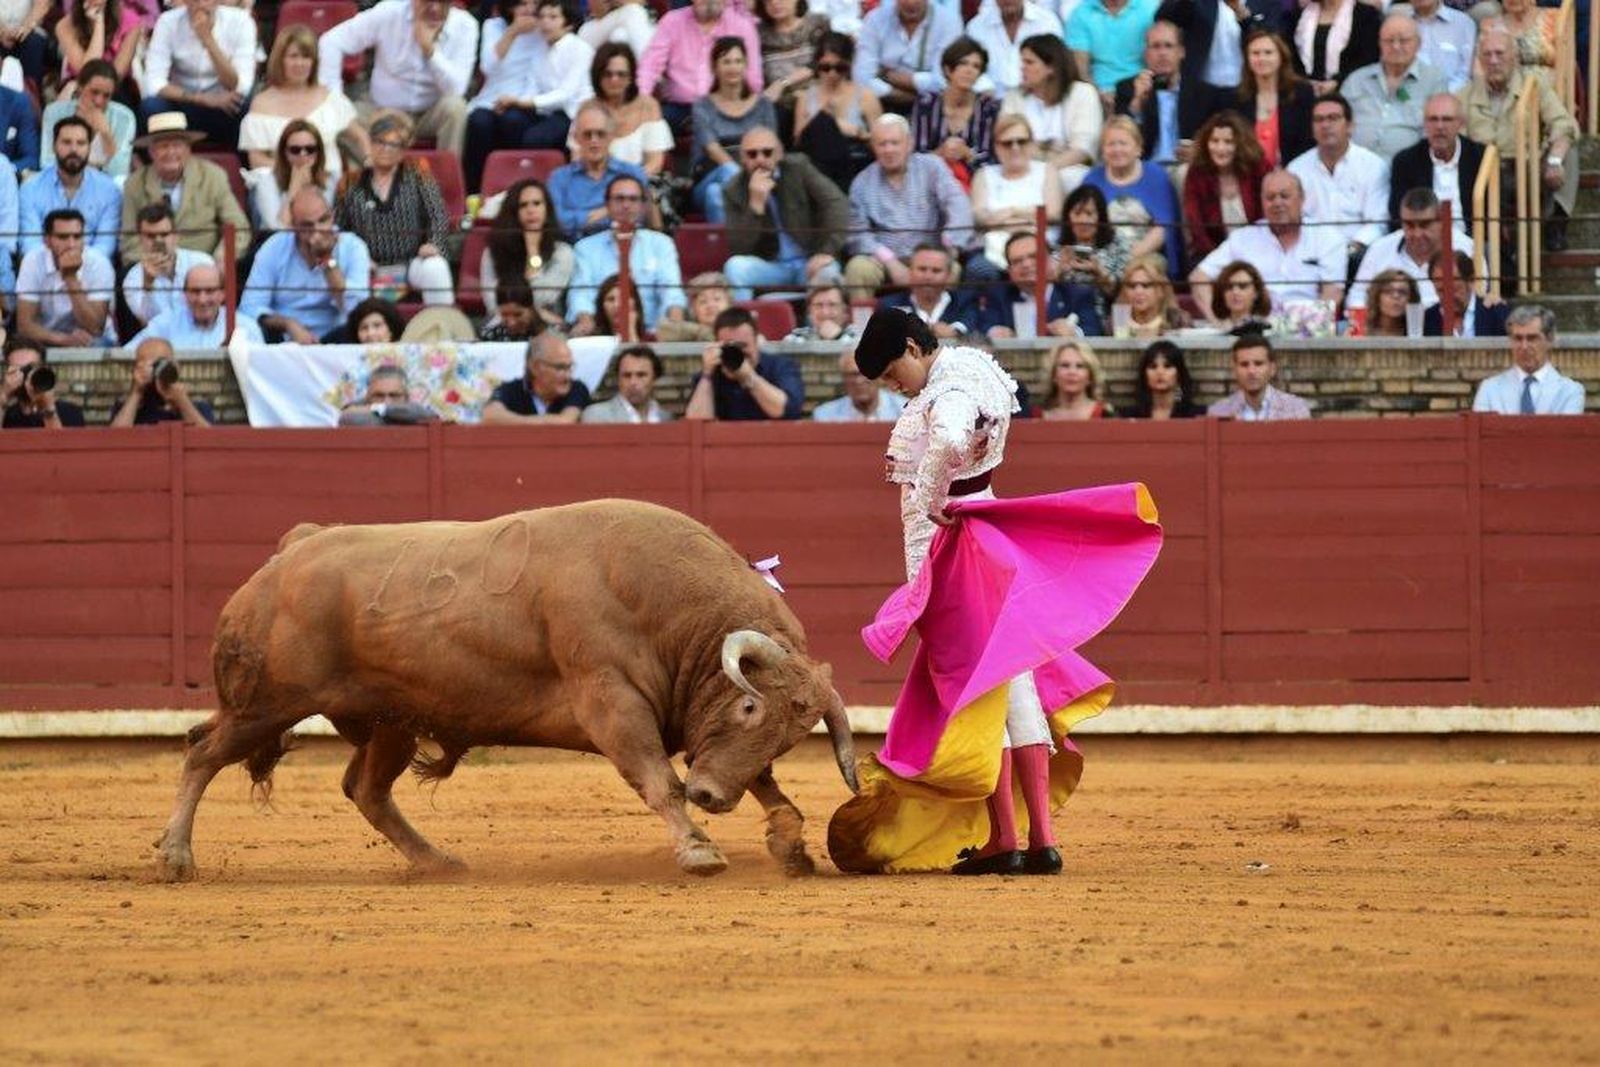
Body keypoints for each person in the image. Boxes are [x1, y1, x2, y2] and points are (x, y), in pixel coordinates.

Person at [841, 308, 1061, 876]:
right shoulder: (973, 366)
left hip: (951, 547)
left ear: (914, 347)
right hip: (986, 530)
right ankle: (1041, 838)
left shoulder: (951, 388)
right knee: (1013, 679)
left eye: (893, 373)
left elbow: (949, 437)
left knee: (977, 688)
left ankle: (1005, 839)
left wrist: (931, 497)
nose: (894, 387)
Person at [1458, 26, 1579, 251]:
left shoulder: (1535, 86)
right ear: (1479, 61)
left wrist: (1554, 160)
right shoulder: (1464, 95)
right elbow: (1458, 141)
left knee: (1568, 153)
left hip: (1528, 166)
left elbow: (1563, 123)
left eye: (1500, 53)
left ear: (1514, 57)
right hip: (1486, 172)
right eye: (1487, 55)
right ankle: (1490, 236)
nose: (1494, 61)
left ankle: (1556, 222)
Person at [843, 114, 980, 300]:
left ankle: (941, 319)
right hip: (885, 258)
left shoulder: (932, 167)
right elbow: (858, 235)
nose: (889, 150)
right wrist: (891, 262)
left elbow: (958, 204)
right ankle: (864, 320)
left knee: (951, 268)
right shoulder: (862, 182)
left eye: (895, 143)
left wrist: (950, 246)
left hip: (930, 254)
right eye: (882, 144)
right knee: (857, 269)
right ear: (873, 147)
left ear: (909, 143)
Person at [462, 0, 593, 193]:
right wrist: (517, 102)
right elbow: (528, 80)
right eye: (522, 3)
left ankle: (530, 190)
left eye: (552, 17)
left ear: (568, 23)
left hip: (567, 111)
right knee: (483, 122)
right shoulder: (499, 27)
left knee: (524, 130)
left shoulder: (574, 46)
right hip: (510, 101)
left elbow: (566, 93)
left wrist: (522, 103)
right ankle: (477, 191)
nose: (531, 10)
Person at [318, 0, 479, 157]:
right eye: (427, 1)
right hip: (380, 110)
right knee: (336, 119)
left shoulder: (465, 25)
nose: (435, 8)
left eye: (442, 2)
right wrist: (336, 99)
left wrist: (429, 51)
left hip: (430, 113)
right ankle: (372, 167)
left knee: (456, 108)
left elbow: (456, 89)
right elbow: (331, 42)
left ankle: (447, 172)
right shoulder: (388, 13)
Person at [333, 110, 454, 307]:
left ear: (403, 150)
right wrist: (357, 258)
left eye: (394, 145)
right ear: (370, 144)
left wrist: (434, 243)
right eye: (380, 142)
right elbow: (337, 229)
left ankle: (444, 322)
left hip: (411, 262)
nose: (386, 149)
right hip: (368, 266)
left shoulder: (417, 172)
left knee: (435, 267)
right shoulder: (349, 183)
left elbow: (438, 215)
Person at [1191, 168, 1345, 318]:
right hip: (1254, 327)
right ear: (1262, 202)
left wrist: (1307, 326)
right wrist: (1219, 321)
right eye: (1270, 198)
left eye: (1285, 196)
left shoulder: (1326, 237)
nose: (1277, 203)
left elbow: (1333, 293)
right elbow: (1199, 277)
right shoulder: (1243, 238)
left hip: (1307, 327)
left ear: (1302, 199)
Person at [722, 126, 849, 300]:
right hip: (771, 266)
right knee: (735, 267)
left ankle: (820, 319)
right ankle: (744, 317)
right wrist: (755, 205)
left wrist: (827, 251)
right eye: (752, 154)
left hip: (809, 260)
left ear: (779, 153)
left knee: (828, 271)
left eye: (767, 152)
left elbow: (836, 203)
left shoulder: (798, 168)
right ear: (743, 159)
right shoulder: (733, 189)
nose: (760, 159)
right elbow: (739, 247)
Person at [240, 187, 374, 344]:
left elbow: (357, 309)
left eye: (323, 220)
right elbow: (250, 306)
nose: (318, 230)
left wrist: (327, 259)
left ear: (333, 216)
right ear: (293, 226)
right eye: (307, 225)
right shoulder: (274, 247)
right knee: (244, 326)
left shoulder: (353, 246)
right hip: (284, 336)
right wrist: (288, 324)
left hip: (337, 334)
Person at [118, 112, 251, 266]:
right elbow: (129, 240)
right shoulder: (134, 184)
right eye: (163, 146)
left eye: (177, 145)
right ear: (151, 152)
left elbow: (238, 228)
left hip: (205, 266)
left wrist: (220, 261)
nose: (171, 152)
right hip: (154, 267)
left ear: (188, 148)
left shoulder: (213, 176)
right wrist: (155, 263)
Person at [569, 175, 688, 333]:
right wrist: (586, 324)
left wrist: (675, 326)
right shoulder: (585, 247)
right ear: (607, 205)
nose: (626, 205)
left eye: (633, 199)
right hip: (603, 333)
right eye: (619, 199)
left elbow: (671, 290)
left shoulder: (661, 244)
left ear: (642, 206)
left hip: (652, 332)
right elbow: (581, 294)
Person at [239, 24, 363, 173]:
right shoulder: (261, 103)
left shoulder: (330, 98)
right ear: (280, 60)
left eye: (306, 57)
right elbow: (256, 160)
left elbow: (360, 136)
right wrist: (296, 174)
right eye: (293, 56)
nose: (300, 63)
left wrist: (370, 162)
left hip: (327, 178)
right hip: (279, 179)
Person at [1285, 93, 1387, 270]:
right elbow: (1293, 221)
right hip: (1310, 258)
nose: (1325, 125)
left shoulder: (1373, 166)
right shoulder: (1296, 170)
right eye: (1319, 120)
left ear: (1350, 126)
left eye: (1333, 118)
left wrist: (1347, 251)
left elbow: (1378, 223)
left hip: (1360, 256)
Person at [139, 0, 258, 147]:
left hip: (223, 102)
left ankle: (243, 159)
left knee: (245, 104)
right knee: (151, 106)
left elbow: (240, 86)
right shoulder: (168, 22)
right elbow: (154, 83)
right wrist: (200, 99)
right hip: (183, 101)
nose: (201, 4)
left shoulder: (241, 21)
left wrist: (208, 40)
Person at [638, 0, 763, 133]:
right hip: (682, 108)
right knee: (646, 125)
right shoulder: (672, 21)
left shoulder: (741, 26)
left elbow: (753, 77)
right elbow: (650, 65)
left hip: (727, 106)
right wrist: (642, 97)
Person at [692, 36, 779, 223]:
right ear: (714, 67)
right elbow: (713, 150)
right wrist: (746, 180)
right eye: (726, 62)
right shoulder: (702, 106)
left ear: (746, 65)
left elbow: (773, 147)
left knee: (715, 193)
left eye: (738, 61)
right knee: (724, 175)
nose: (733, 67)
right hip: (712, 175)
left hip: (758, 174)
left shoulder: (763, 104)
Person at [1000, 33, 1102, 190]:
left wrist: (1044, 170)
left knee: (1071, 178)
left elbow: (1082, 149)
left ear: (1051, 68)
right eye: (1022, 61)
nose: (1022, 67)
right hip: (1022, 168)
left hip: (1068, 169)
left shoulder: (1083, 93)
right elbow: (1006, 140)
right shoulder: (1014, 97)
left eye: (1029, 62)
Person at [1114, 20, 1222, 167]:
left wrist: (1200, 151)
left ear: (1181, 52)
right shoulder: (1127, 89)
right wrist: (1138, 101)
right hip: (1145, 168)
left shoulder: (1203, 92)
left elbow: (1218, 137)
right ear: (1146, 53)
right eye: (1156, 46)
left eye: (1168, 46)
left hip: (1187, 167)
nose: (1162, 53)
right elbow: (1119, 138)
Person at [1347, 187, 1474, 311]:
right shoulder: (1380, 249)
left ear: (1441, 221)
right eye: (1409, 225)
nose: (1417, 234)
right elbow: (1357, 297)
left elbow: (1477, 298)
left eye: (1425, 225)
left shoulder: (1467, 248)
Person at [1341, 14, 1447, 160]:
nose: (1396, 46)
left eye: (1403, 41)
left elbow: (1437, 130)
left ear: (1419, 43)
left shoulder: (1434, 80)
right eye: (1389, 41)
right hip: (1355, 164)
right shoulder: (1357, 79)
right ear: (1379, 43)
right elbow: (1339, 121)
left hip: (1407, 166)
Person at [1083, 116, 1182, 271]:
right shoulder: (1092, 179)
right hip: (1103, 257)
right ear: (1103, 150)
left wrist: (1124, 261)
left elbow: (1163, 229)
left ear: (1138, 148)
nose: (1117, 150)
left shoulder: (1156, 175)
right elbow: (1084, 224)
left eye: (1123, 143)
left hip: (1146, 258)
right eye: (1111, 144)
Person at [548, 101, 653, 241]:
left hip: (624, 244)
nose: (594, 141)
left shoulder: (633, 174)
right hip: (574, 249)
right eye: (587, 135)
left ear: (612, 136)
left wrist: (581, 220)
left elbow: (637, 217)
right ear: (576, 138)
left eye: (600, 134)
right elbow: (557, 222)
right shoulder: (559, 178)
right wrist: (611, 211)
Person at [19, 117, 121, 260]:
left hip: (92, 269)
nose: (74, 149)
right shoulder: (30, 189)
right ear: (53, 146)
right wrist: (56, 265)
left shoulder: (109, 191)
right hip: (43, 268)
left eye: (81, 143)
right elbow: (30, 245)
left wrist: (77, 264)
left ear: (89, 147)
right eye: (66, 142)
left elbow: (105, 247)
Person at [481, 178, 575, 332]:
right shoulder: (493, 252)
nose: (531, 210)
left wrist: (533, 251)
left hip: (544, 328)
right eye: (523, 205)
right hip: (503, 325)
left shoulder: (562, 252)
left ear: (547, 209)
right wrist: (527, 311)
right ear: (513, 212)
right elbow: (492, 303)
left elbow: (544, 297)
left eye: (537, 203)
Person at [971, 112, 1062, 269]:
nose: (1015, 148)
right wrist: (1029, 219)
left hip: (1039, 249)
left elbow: (1052, 214)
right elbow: (981, 219)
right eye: (1007, 143)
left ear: (1032, 143)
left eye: (1022, 141)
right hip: (993, 253)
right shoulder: (984, 174)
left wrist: (1011, 212)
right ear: (996, 147)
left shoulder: (1047, 170)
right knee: (978, 270)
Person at [909, 37, 1003, 188]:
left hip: (977, 185)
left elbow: (993, 161)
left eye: (976, 66)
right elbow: (914, 157)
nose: (969, 70)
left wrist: (968, 155)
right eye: (963, 63)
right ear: (948, 69)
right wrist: (940, 153)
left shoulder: (989, 108)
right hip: (931, 184)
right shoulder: (926, 104)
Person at [793, 32, 882, 189]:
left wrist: (859, 133)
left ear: (849, 65)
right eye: (825, 68)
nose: (832, 74)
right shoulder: (805, 98)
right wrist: (826, 119)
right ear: (817, 65)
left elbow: (881, 142)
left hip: (855, 166)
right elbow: (798, 142)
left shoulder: (866, 97)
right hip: (817, 170)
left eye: (840, 68)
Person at [16, 208, 115, 348]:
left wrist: (71, 278)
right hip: (45, 338)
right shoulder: (33, 261)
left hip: (90, 340)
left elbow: (95, 328)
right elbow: (24, 325)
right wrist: (62, 340)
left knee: (99, 344)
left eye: (77, 237)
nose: (71, 245)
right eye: (63, 237)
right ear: (47, 240)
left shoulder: (99, 263)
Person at [685, 305, 804, 420]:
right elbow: (696, 422)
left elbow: (787, 411)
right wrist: (707, 374)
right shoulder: (711, 373)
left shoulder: (781, 367)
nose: (738, 352)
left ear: (756, 341)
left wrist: (749, 377)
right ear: (718, 344)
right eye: (730, 346)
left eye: (743, 345)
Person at [1183, 110, 1268, 267]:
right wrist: (1219, 260)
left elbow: (1266, 218)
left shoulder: (1258, 168)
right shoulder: (1197, 173)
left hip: (1258, 250)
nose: (1220, 148)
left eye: (1228, 142)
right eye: (1214, 141)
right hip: (1213, 252)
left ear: (1240, 144)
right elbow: (1196, 226)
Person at [1389, 92, 1484, 230]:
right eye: (1433, 119)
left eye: (1447, 119)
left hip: (1473, 238)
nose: (1439, 126)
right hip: (1422, 237)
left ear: (1461, 123)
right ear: (1424, 124)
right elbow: (1398, 216)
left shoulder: (1481, 158)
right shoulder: (1406, 161)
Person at [1471, 304, 1584, 414]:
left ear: (1550, 340)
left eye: (1532, 338)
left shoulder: (1570, 391)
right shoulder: (1489, 389)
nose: (1524, 346)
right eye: (1518, 338)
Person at [853, 0, 964, 110]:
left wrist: (889, 76)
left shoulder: (948, 22)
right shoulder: (875, 19)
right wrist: (896, 94)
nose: (911, 3)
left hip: (934, 107)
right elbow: (862, 77)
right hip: (882, 103)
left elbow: (944, 80)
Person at [587, 43, 673, 182]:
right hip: (596, 184)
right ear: (597, 76)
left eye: (621, 74)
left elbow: (655, 163)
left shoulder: (648, 106)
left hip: (640, 183)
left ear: (631, 77)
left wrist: (626, 184)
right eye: (607, 74)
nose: (614, 79)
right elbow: (578, 160)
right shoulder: (587, 109)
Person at [1229, 29, 1314, 169]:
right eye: (1255, 53)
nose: (1261, 58)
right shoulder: (1236, 97)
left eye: (1268, 53)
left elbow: (1308, 140)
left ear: (1281, 57)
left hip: (1293, 172)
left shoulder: (1302, 92)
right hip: (1247, 174)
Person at [121, 201, 214, 326]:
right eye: (151, 236)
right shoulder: (133, 278)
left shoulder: (202, 262)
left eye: (164, 234)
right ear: (140, 239)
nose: (158, 241)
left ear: (176, 235)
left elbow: (214, 310)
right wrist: (148, 284)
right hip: (161, 336)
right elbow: (149, 323)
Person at [983, 230, 1091, 338]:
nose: (1026, 264)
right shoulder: (999, 296)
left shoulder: (1076, 294)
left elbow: (1092, 329)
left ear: (1050, 260)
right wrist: (994, 332)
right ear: (1009, 271)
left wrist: (1074, 333)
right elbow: (985, 327)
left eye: (1034, 257)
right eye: (1017, 261)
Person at [1055, 182, 1131, 326]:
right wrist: (1059, 270)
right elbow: (1045, 291)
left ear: (1100, 217)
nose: (1083, 220)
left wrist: (1099, 272)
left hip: (1102, 316)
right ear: (1068, 216)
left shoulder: (1117, 242)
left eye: (1089, 214)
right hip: (1062, 316)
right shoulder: (1058, 246)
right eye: (1077, 213)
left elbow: (1122, 291)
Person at [40, 60, 131, 180]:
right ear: (80, 87)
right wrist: (91, 168)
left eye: (106, 95)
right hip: (62, 181)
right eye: (94, 92)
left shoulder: (124, 117)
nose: (99, 101)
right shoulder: (54, 112)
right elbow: (46, 162)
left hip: (104, 184)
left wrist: (106, 134)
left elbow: (120, 172)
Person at [128, 262, 251, 348]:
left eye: (210, 291)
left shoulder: (245, 326)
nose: (202, 300)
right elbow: (127, 354)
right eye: (195, 291)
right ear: (184, 294)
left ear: (222, 294)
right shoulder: (165, 324)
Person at [248, 119, 340, 231]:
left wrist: (309, 189)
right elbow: (278, 229)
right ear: (284, 153)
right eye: (295, 150)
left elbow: (328, 224)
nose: (303, 154)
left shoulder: (332, 179)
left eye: (310, 149)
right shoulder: (267, 181)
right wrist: (294, 188)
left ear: (319, 152)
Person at [482, 331, 592, 423]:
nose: (567, 375)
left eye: (569, 367)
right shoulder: (511, 389)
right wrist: (544, 422)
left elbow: (565, 422)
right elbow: (490, 416)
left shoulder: (576, 389)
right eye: (560, 368)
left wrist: (513, 423)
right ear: (535, 367)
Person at [881, 243, 985, 337]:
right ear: (910, 271)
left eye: (936, 271)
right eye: (922, 269)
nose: (928, 276)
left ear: (949, 275)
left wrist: (954, 331)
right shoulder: (889, 304)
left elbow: (968, 323)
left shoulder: (965, 302)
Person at [966, 0, 1064, 98]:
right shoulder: (976, 27)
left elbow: (1057, 64)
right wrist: (985, 88)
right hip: (988, 99)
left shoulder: (1047, 22)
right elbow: (969, 66)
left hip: (1037, 98)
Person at [109, 339, 215, 426]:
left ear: (176, 367)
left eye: (161, 363)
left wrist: (182, 401)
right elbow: (114, 439)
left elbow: (209, 439)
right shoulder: (125, 407)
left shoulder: (198, 406)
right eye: (147, 366)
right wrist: (136, 393)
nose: (156, 371)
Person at [1208, 332, 1311, 419]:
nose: (1251, 371)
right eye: (1244, 364)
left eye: (1258, 363)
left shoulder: (1295, 409)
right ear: (1235, 370)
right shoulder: (1218, 412)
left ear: (1272, 369)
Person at [1066, 0, 1158, 96]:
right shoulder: (1081, 13)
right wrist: (1098, 95)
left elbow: (1160, 56)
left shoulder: (1151, 8)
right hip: (1097, 91)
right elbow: (1081, 70)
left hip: (1142, 88)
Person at [1292, 0, 1379, 96]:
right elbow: (1291, 57)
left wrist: (1337, 82)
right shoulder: (1298, 16)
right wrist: (1305, 83)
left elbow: (1368, 58)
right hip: (1305, 91)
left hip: (1350, 90)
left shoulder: (1366, 15)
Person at [56, 0, 142, 96]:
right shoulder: (65, 26)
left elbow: (117, 73)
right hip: (78, 84)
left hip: (116, 87)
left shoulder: (131, 22)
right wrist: (99, 24)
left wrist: (99, 19)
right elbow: (87, 71)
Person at [754, 0, 829, 108]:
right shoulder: (759, 33)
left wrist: (782, 83)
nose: (774, 3)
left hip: (817, 101)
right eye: (768, 1)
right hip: (778, 105)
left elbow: (822, 62)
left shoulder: (817, 24)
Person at [580, 344, 676, 423]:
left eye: (641, 375)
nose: (633, 382)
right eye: (626, 375)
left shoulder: (666, 417)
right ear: (618, 379)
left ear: (654, 379)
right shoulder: (597, 415)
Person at [1423, 250, 1509, 336]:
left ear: (1471, 280)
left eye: (1454, 289)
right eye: (1441, 291)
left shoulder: (1495, 313)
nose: (1448, 298)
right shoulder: (1428, 319)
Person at [1, 343, 85, 428]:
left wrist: (47, 407)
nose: (25, 375)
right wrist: (3, 397)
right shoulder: (6, 415)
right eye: (18, 369)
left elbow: (58, 437)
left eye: (30, 368)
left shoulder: (70, 412)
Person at [812, 349, 909, 420]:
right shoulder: (826, 416)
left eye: (865, 373)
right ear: (843, 378)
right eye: (852, 375)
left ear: (879, 376)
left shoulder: (905, 412)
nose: (859, 381)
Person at [1114, 253, 1190, 337]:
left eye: (1146, 286)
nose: (1138, 291)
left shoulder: (1178, 321)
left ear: (1161, 290)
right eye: (1132, 286)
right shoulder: (1117, 321)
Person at [338, 364, 440, 425]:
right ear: (367, 396)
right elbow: (347, 417)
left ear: (406, 396)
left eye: (394, 395)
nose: (386, 401)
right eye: (379, 395)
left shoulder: (413, 408)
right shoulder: (354, 408)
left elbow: (431, 416)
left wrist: (376, 408)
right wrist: (401, 417)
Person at [1036, 340, 1115, 418]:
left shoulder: (1105, 415)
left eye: (1080, 366)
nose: (1072, 372)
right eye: (1065, 365)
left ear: (1090, 377)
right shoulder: (1036, 416)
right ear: (1053, 375)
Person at [1410, 0, 1476, 92]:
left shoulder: (1463, 23)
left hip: (1454, 95)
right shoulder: (1400, 24)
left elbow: (1466, 72)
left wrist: (1444, 94)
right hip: (1410, 96)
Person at [1128, 338, 1205, 418]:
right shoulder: (1130, 416)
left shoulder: (1197, 415)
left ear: (1179, 374)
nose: (1160, 372)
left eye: (1167, 366)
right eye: (1153, 366)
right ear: (1144, 374)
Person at [654, 270, 733, 342]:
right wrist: (704, 332)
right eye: (703, 302)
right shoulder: (686, 332)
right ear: (694, 310)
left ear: (729, 304)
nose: (710, 305)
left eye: (717, 299)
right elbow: (663, 329)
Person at [1208, 258, 1274, 333]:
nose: (1235, 292)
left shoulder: (1271, 330)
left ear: (1256, 293)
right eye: (1229, 287)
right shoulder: (1210, 332)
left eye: (1243, 286)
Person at [578, 0, 653, 60]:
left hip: (636, 26)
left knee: (619, 35)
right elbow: (596, 11)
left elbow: (643, 2)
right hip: (594, 27)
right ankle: (648, 65)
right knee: (634, 11)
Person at [784, 282, 858, 340]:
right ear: (810, 311)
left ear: (845, 312)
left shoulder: (857, 338)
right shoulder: (795, 337)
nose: (825, 312)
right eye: (819, 305)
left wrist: (838, 337)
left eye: (832, 305)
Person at [1360, 268, 1420, 336]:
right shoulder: (1360, 331)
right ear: (1376, 297)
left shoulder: (1419, 332)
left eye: (1402, 292)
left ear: (1411, 298)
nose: (1396, 296)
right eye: (1388, 291)